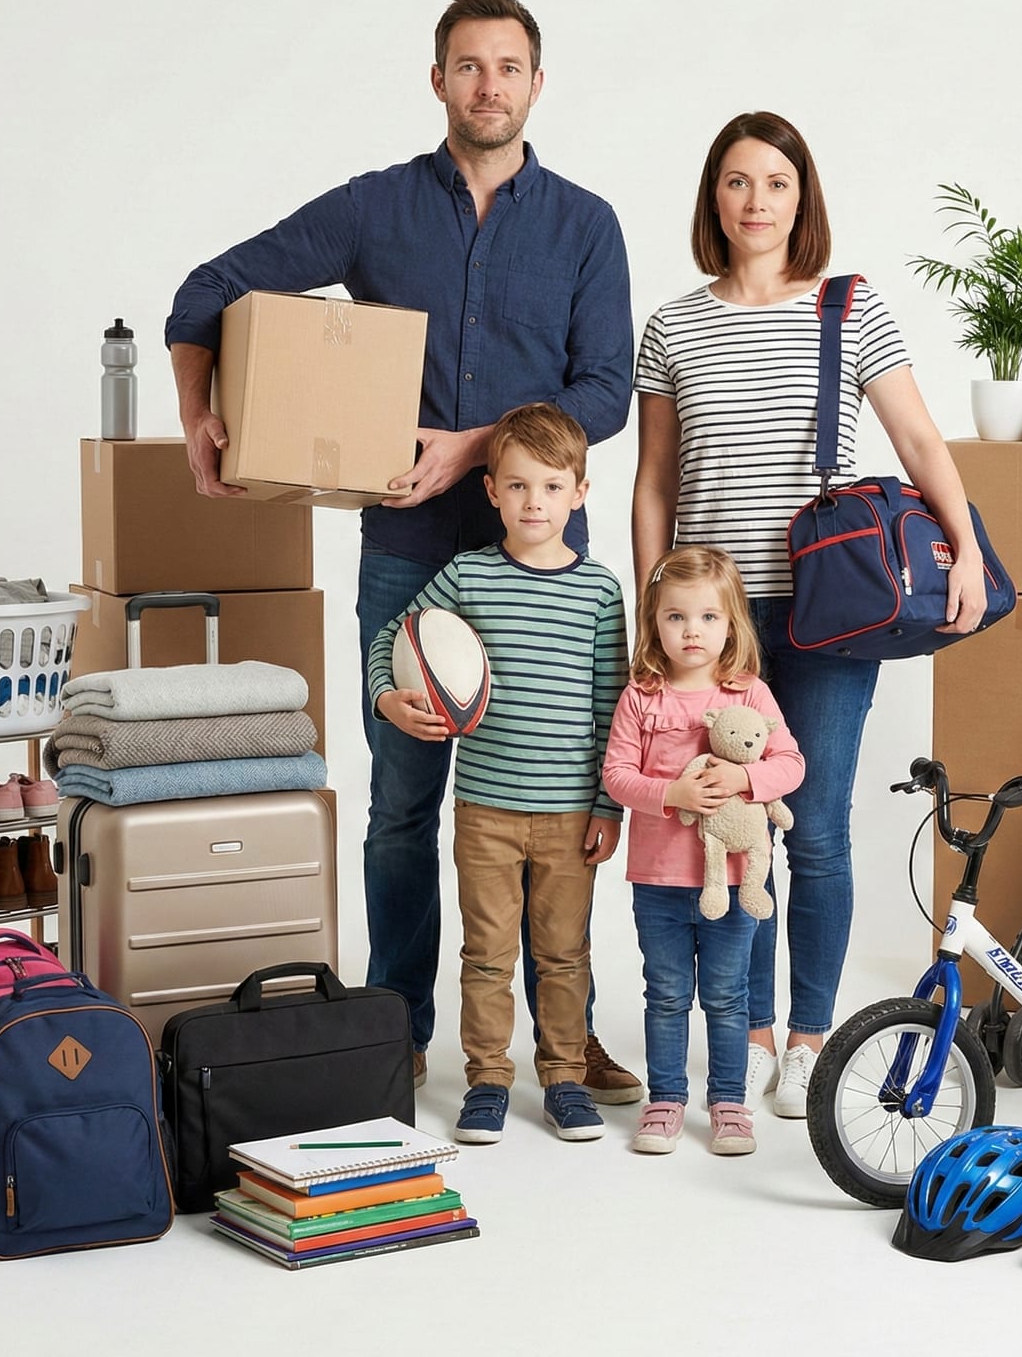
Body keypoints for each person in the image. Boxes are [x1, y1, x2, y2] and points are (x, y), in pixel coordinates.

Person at [164, 0, 641, 1099]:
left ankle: (561, 1038)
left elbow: (605, 389)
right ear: (438, 81)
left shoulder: (586, 225)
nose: (488, 85)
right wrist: (203, 415)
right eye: (468, 66)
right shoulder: (376, 209)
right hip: (410, 555)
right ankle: (399, 1028)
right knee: (405, 802)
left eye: (509, 66)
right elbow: (206, 291)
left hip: (546, 562)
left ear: (536, 82)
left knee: (554, 802)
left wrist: (478, 446)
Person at [631, 110, 986, 1117]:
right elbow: (654, 481)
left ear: (802, 196)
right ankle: (742, 1032)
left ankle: (808, 1037)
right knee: (733, 828)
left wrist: (962, 544)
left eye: (775, 183)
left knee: (815, 825)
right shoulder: (672, 325)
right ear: (714, 198)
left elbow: (916, 438)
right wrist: (651, 616)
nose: (755, 201)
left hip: (829, 612)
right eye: (736, 182)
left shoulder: (848, 306)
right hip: (709, 625)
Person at [367, 404, 628, 1143]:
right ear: (490, 492)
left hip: (572, 815)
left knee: (564, 952)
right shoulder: (468, 576)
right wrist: (388, 695)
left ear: (580, 492)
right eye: (517, 487)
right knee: (486, 954)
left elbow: (614, 708)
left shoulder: (600, 592)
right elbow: (396, 632)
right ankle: (487, 1079)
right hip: (484, 809)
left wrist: (609, 807)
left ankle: (566, 1077)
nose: (533, 503)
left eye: (551, 487)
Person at [601, 546, 804, 1157]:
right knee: (664, 993)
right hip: (659, 880)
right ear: (654, 622)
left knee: (726, 995)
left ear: (732, 624)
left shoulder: (752, 696)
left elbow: (791, 764)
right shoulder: (643, 695)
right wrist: (672, 792)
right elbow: (616, 775)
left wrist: (746, 781)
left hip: (739, 880)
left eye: (709, 618)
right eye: (676, 617)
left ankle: (728, 1104)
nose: (692, 631)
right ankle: (664, 1100)